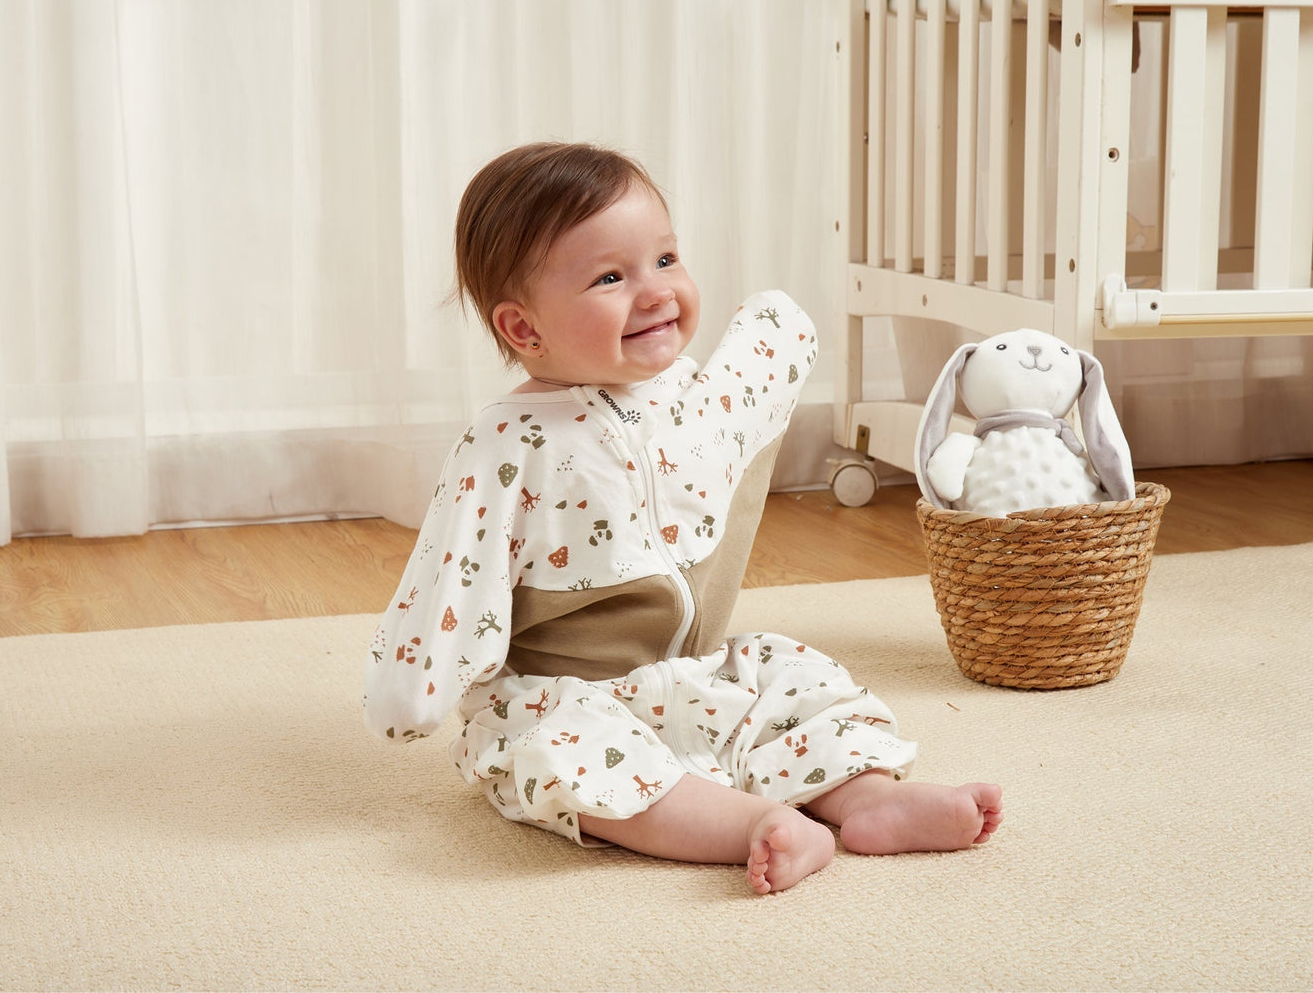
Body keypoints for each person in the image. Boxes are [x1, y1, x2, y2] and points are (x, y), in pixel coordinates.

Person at [364, 142, 1001, 893]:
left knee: (792, 682)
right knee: (567, 759)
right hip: (562, 692)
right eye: (611, 276)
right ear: (525, 329)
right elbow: (451, 574)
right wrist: (416, 689)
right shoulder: (505, 444)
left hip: (695, 671)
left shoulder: (692, 398)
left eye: (665, 259)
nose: (655, 291)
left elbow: (753, 399)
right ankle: (748, 824)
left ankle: (871, 798)